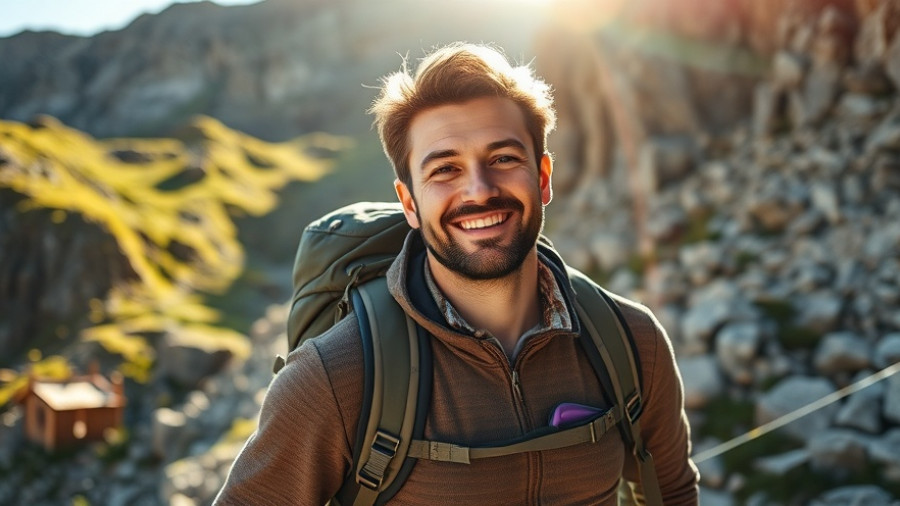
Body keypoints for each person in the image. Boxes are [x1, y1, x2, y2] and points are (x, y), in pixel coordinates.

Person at [214, 42, 699, 505]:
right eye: (445, 169)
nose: (479, 190)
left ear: (543, 177)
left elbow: (672, 493)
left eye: (503, 159)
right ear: (409, 202)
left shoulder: (631, 343)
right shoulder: (336, 378)